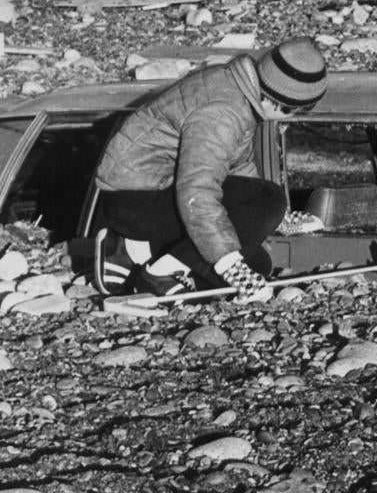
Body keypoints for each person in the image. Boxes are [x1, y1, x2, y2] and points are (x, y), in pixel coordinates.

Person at [91, 37, 327, 301]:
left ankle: (133, 252)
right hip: (136, 199)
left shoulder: (238, 89)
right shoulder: (222, 113)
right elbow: (198, 190)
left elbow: (238, 168)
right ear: (280, 102)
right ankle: (158, 275)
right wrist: (233, 268)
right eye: (297, 111)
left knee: (257, 262)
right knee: (269, 201)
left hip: (157, 191)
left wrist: (276, 219)